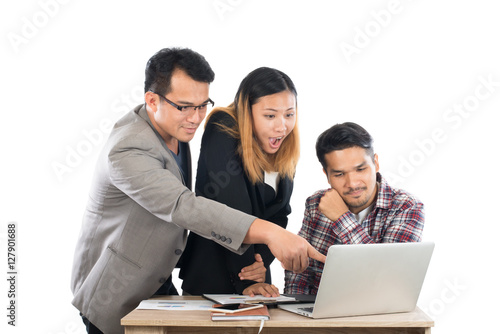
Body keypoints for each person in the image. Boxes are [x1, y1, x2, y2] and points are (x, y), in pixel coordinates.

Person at [70, 48, 325, 334]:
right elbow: (183, 205)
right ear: (152, 100)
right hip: (114, 289)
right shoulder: (128, 147)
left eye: (202, 105)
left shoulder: (174, 127)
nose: (196, 117)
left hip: (159, 283)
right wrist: (271, 233)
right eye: (185, 106)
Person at [179, 67, 299, 297]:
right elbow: (232, 206)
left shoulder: (283, 146)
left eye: (289, 114)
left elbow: (280, 215)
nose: (281, 126)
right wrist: (248, 279)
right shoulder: (223, 126)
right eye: (270, 115)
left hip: (256, 280)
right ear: (247, 110)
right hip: (213, 277)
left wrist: (260, 265)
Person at [284, 122, 424, 295]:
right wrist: (294, 310)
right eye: (339, 174)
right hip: (320, 315)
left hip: (379, 316)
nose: (352, 184)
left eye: (360, 169)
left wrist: (342, 218)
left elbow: (387, 279)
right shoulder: (316, 203)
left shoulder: (406, 207)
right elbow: (301, 273)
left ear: (376, 163)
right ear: (327, 175)